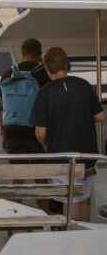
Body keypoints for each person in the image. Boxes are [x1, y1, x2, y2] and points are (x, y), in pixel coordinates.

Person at [32, 47, 106, 221]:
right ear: (66, 64)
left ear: (46, 67)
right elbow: (100, 116)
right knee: (84, 200)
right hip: (88, 155)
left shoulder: (45, 93)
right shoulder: (83, 85)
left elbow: (40, 132)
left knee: (70, 200)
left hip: (62, 157)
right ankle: (87, 236)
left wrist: (47, 145)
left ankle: (73, 237)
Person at [0, 38, 50, 155]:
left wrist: (4, 137)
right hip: (37, 135)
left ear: (22, 53)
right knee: (40, 166)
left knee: (19, 167)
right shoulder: (45, 74)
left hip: (13, 135)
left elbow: (1, 109)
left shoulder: (7, 74)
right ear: (40, 54)